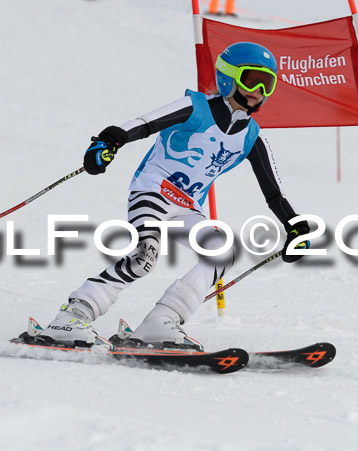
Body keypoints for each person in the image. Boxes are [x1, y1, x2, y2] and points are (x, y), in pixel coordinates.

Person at [39, 42, 310, 351]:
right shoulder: (197, 107)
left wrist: (295, 226)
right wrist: (109, 141)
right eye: (251, 80)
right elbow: (146, 123)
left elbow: (274, 192)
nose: (258, 91)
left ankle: (162, 321)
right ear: (229, 77)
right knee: (144, 255)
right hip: (153, 190)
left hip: (188, 208)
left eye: (267, 84)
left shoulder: (252, 136)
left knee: (223, 252)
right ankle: (74, 315)